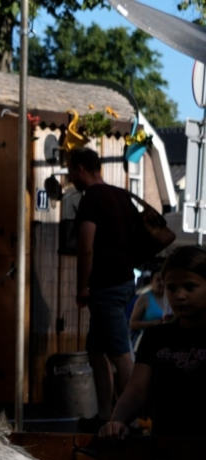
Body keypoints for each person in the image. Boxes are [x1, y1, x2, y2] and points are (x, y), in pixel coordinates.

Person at [100, 246, 206, 440]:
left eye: (190, 287)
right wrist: (117, 422)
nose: (179, 296)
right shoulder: (156, 337)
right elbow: (136, 391)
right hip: (164, 451)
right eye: (171, 288)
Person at [70, 148, 135, 429]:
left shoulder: (91, 200)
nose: (71, 177)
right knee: (96, 350)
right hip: (124, 280)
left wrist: (81, 287)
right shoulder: (121, 196)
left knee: (120, 353)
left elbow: (86, 248)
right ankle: (104, 414)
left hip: (105, 286)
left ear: (81, 169)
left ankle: (130, 420)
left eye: (71, 170)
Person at [130, 269, 170, 350]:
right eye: (158, 280)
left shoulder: (170, 297)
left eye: (163, 280)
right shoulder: (144, 298)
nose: (161, 283)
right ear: (151, 281)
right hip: (147, 344)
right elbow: (132, 324)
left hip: (167, 344)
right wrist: (153, 323)